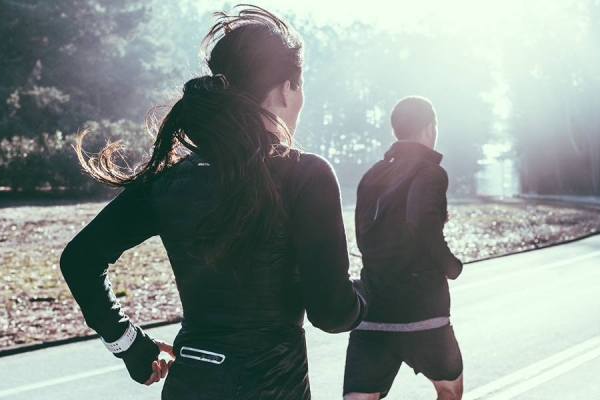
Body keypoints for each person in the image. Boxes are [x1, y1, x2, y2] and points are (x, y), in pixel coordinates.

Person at [59, 5, 368, 400]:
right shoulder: (305, 174)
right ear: (287, 89)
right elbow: (332, 313)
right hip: (271, 389)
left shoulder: (168, 180)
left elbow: (79, 259)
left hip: (190, 383)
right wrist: (368, 295)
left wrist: (129, 345)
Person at [342, 96, 464, 400]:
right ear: (429, 129)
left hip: (373, 307)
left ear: (395, 131)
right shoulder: (431, 172)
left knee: (359, 397)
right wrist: (450, 266)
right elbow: (421, 220)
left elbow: (362, 234)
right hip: (422, 309)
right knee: (449, 389)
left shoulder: (371, 175)